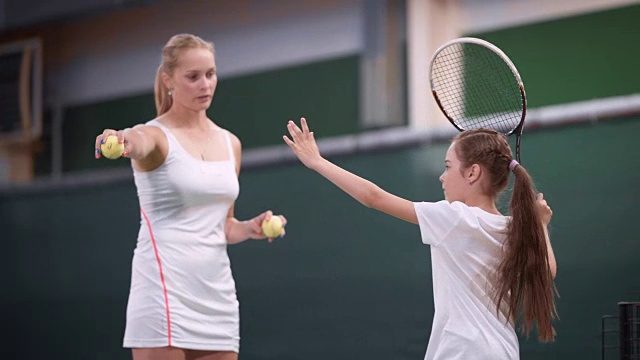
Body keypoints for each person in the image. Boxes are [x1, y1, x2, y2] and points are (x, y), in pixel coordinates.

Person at [283, 118, 557, 360]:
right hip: (504, 352)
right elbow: (548, 271)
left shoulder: (453, 218)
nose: (442, 176)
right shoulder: (513, 228)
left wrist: (317, 162)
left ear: (472, 173)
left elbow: (373, 197)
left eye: (448, 166)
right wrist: (541, 225)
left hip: (463, 352)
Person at [94, 33, 286, 360]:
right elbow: (137, 140)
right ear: (169, 81)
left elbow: (223, 226)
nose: (205, 84)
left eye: (210, 74)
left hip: (217, 295)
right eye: (193, 77)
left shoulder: (231, 143)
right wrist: (119, 138)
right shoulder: (154, 135)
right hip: (163, 291)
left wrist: (251, 227)